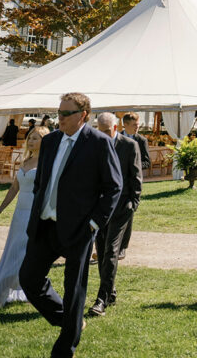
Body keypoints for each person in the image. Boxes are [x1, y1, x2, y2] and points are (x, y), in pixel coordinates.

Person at [19, 92, 122, 358]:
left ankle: (65, 349)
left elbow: (114, 187)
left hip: (79, 229)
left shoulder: (98, 143)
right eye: (58, 112)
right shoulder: (51, 140)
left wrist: (93, 224)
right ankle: (70, 322)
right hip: (45, 224)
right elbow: (42, 181)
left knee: (74, 290)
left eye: (65, 114)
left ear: (83, 116)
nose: (59, 119)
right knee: (29, 278)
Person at [88, 113, 142, 316]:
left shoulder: (128, 145)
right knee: (101, 251)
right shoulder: (94, 145)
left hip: (121, 207)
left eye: (106, 130)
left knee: (111, 251)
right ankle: (110, 291)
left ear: (115, 127)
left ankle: (101, 299)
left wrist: (133, 204)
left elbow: (136, 176)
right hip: (99, 207)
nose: (102, 134)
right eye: (98, 130)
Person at [0, 127, 49, 309]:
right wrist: (0, 208)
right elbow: (14, 189)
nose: (31, 141)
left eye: (36, 138)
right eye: (30, 137)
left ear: (44, 141)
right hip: (19, 214)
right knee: (13, 252)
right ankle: (21, 289)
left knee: (23, 254)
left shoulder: (47, 163)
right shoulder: (26, 161)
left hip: (35, 213)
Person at [117, 111, 150, 260]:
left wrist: (133, 167)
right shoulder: (116, 138)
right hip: (115, 183)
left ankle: (123, 247)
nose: (137, 127)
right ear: (125, 125)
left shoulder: (141, 140)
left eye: (138, 125)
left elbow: (147, 162)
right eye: (135, 125)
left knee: (128, 215)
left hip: (131, 183)